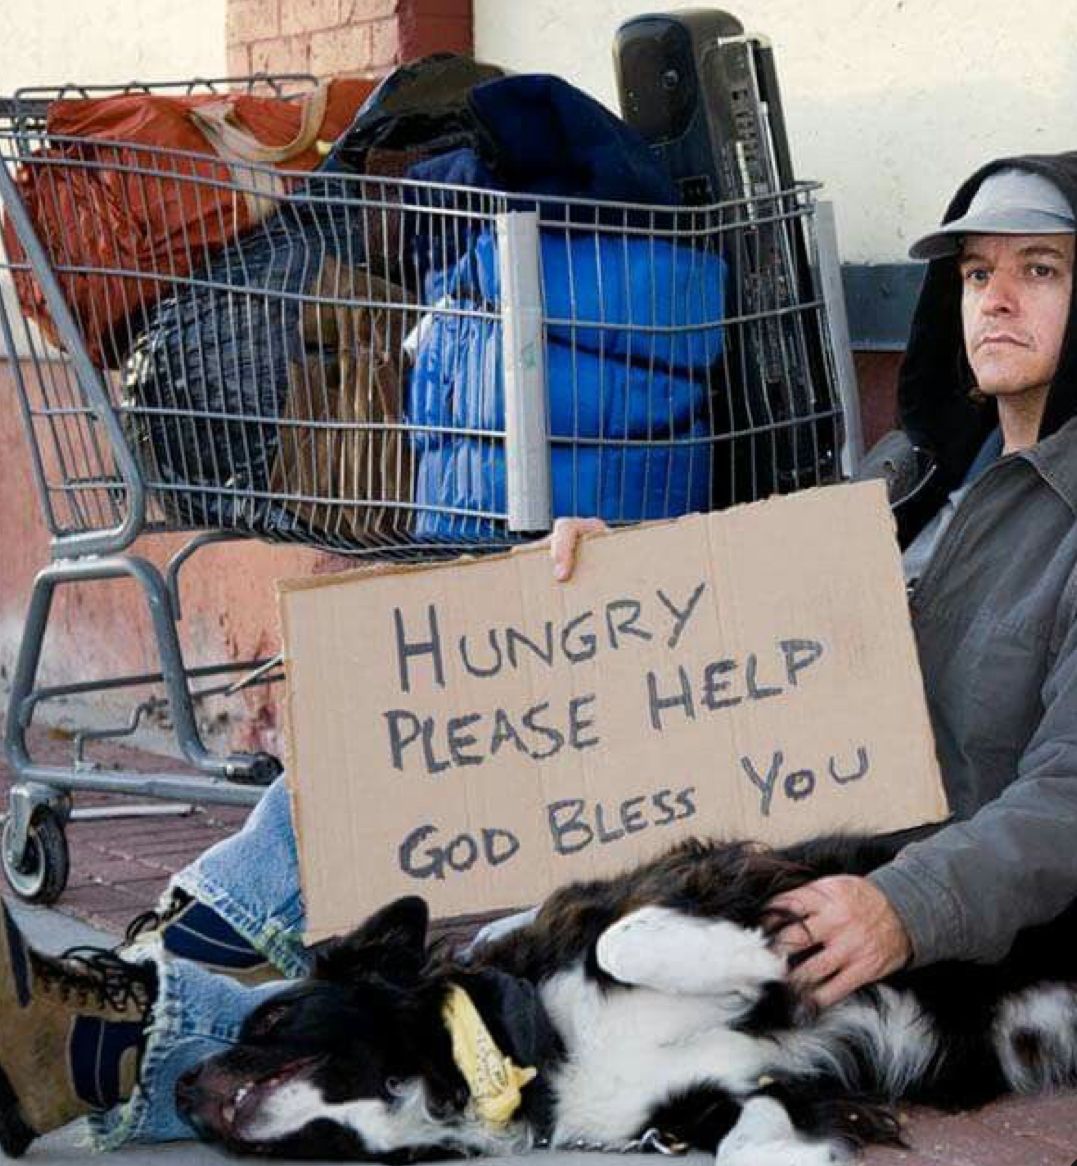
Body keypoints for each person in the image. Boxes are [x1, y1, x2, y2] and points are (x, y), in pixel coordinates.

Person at [3, 151, 1077, 1156]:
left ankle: (127, 1024)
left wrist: (912, 903)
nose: (994, 296)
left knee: (489, 1017)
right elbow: (765, 611)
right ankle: (191, 941)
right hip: (752, 817)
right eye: (979, 270)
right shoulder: (921, 467)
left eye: (1039, 270)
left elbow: (1066, 789)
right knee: (412, 727)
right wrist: (624, 578)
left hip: (889, 876)